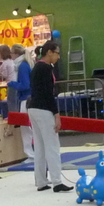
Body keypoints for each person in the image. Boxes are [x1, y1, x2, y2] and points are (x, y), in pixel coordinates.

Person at [29, 41, 72, 193]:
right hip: (44, 109)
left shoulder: (36, 67)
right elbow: (49, 94)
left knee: (39, 146)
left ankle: (41, 181)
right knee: (52, 146)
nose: (58, 57)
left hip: (33, 108)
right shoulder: (46, 68)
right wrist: (56, 114)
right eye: (57, 53)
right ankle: (57, 181)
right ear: (49, 52)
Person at [13, 44, 34, 159]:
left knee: (25, 128)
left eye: (11, 54)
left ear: (15, 54)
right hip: (30, 98)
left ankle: (30, 153)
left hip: (25, 100)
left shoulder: (22, 66)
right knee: (30, 127)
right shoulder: (27, 64)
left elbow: (25, 85)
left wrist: (13, 84)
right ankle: (32, 152)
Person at [0, 45, 16, 116]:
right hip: (14, 83)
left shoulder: (5, 63)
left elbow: (5, 75)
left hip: (11, 84)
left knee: (11, 102)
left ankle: (13, 116)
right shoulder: (11, 61)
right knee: (14, 101)